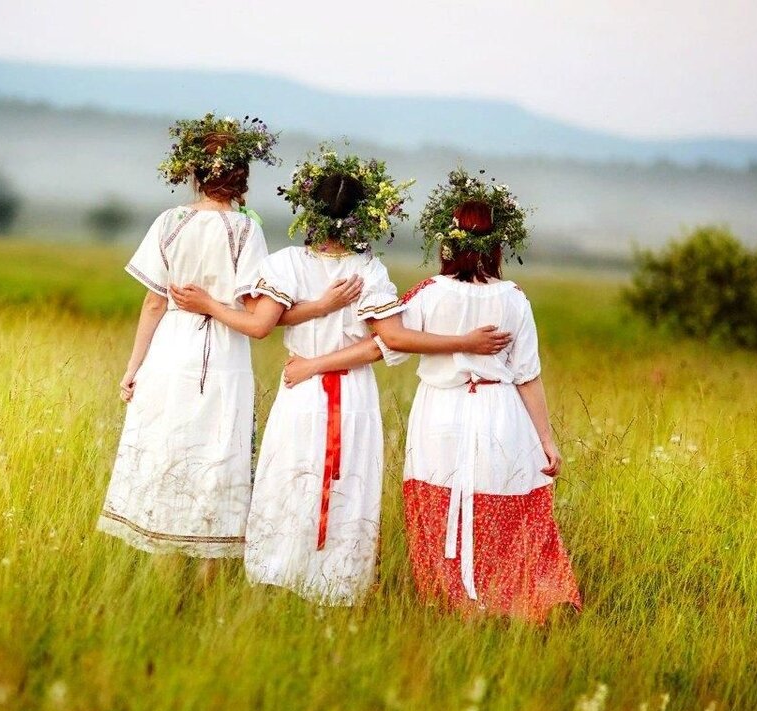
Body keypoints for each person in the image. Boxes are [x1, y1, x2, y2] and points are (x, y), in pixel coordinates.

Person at [170, 149, 512, 605]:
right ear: (362, 218)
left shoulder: (286, 263)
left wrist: (304, 359)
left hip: (300, 388)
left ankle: (279, 580)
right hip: (351, 394)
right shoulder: (366, 269)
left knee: (291, 478)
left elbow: (260, 324)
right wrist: (464, 341)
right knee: (345, 485)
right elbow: (387, 341)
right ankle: (335, 588)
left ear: (310, 211)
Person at [283, 168, 581, 621]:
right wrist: (546, 439)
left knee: (440, 506)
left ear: (447, 243)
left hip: (442, 413)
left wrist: (312, 361)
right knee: (504, 508)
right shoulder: (515, 298)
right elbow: (528, 376)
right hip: (502, 414)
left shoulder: (427, 294)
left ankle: (455, 605)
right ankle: (518, 603)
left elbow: (387, 343)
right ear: (498, 245)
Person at [99, 116, 362, 562]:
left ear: (196, 173)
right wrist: (319, 307)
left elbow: (153, 303)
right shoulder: (246, 230)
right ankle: (207, 573)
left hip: (169, 350)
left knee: (167, 450)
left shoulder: (169, 222)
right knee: (218, 454)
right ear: (240, 176)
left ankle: (162, 564)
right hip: (223, 354)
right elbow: (258, 315)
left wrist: (133, 368)